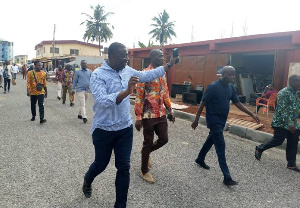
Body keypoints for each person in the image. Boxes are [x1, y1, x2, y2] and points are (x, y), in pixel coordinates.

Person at [82, 42, 179, 208]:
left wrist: (169, 65)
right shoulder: (98, 74)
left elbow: (146, 75)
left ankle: (121, 205)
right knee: (101, 164)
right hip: (103, 129)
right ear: (112, 56)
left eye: (127, 54)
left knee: (123, 167)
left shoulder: (128, 71)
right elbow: (101, 100)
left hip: (124, 129)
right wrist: (127, 92)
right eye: (123, 55)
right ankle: (87, 180)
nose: (127, 58)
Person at [191, 66, 260, 186]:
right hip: (213, 120)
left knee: (211, 140)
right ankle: (227, 177)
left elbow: (237, 103)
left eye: (234, 74)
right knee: (221, 147)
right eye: (230, 74)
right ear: (223, 74)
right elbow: (202, 103)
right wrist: (196, 120)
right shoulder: (213, 87)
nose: (233, 77)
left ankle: (200, 158)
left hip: (222, 119)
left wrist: (251, 114)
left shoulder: (231, 87)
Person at [134, 49, 175, 183]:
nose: (162, 59)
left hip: (161, 113)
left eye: (163, 57)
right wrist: (138, 117)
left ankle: (146, 152)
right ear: (152, 58)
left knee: (164, 139)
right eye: (159, 57)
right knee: (148, 141)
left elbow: (165, 93)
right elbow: (139, 96)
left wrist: (170, 109)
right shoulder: (144, 74)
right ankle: (144, 170)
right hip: (148, 114)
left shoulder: (162, 74)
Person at [255, 75, 300, 171]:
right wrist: (289, 124)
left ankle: (291, 164)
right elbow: (283, 110)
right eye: (298, 82)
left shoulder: (296, 92)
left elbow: (296, 106)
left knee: (293, 142)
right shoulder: (283, 93)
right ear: (291, 82)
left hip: (293, 122)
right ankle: (260, 148)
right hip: (281, 122)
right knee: (278, 140)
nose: (299, 84)